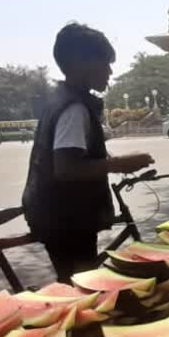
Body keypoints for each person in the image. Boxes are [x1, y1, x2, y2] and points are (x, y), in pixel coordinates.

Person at [22, 23, 153, 283]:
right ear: (80, 63)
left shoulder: (60, 99)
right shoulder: (74, 108)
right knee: (80, 290)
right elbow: (66, 167)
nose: (110, 71)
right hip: (65, 219)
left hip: (53, 212)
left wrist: (115, 161)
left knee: (76, 283)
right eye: (104, 62)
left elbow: (76, 153)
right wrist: (119, 164)